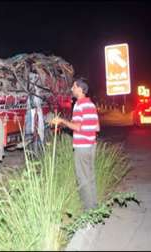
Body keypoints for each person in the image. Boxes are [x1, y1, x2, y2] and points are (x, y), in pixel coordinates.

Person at [50, 78, 100, 210]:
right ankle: (95, 207)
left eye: (74, 86)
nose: (71, 89)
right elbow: (97, 127)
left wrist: (62, 121)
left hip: (82, 147)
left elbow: (77, 127)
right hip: (91, 145)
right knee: (90, 177)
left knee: (83, 179)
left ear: (80, 89)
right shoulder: (91, 105)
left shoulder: (79, 105)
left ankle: (89, 212)